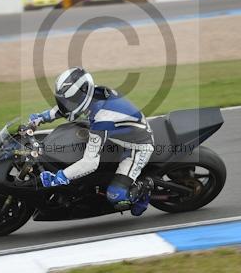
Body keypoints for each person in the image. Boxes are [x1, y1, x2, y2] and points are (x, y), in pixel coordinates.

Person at [29, 67, 155, 216]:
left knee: (116, 196)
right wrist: (41, 117)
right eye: (65, 100)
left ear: (82, 96)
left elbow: (90, 163)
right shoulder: (93, 93)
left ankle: (145, 188)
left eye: (70, 100)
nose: (67, 104)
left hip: (138, 146)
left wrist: (59, 177)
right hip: (119, 136)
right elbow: (66, 108)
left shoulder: (102, 119)